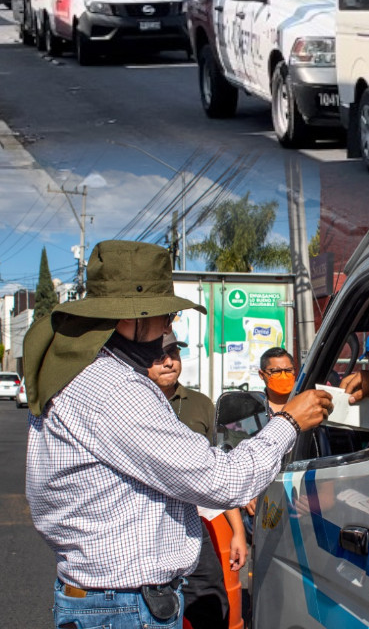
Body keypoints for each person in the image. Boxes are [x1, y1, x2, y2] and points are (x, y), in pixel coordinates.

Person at [23, 240, 333, 629]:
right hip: (124, 607)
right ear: (128, 318)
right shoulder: (115, 389)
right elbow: (223, 480)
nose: (169, 326)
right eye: (163, 315)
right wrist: (287, 421)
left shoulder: (74, 375)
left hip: (100, 599)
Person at [145, 335, 246, 629]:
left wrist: (237, 530)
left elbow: (215, 471)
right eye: (158, 356)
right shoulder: (131, 404)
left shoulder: (201, 405)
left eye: (173, 353)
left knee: (211, 605)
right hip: (143, 526)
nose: (168, 361)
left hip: (192, 522)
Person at [259, 347, 296, 415]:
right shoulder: (255, 408)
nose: (283, 377)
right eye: (276, 371)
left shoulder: (305, 404)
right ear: (261, 374)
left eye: (288, 370)